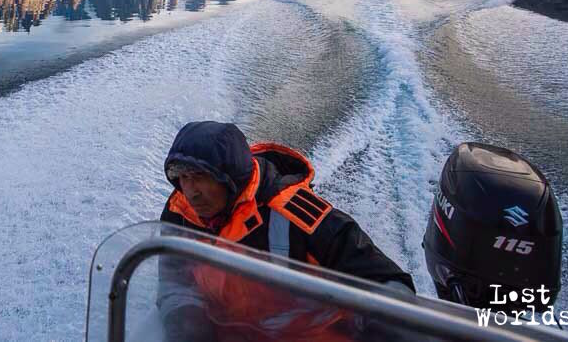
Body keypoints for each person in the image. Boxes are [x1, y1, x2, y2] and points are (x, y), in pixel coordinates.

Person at [157, 121, 414, 341]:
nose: (191, 191)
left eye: (200, 176)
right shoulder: (179, 213)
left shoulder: (298, 217)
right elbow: (174, 284)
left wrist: (385, 330)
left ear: (230, 177)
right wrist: (188, 328)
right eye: (182, 177)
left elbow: (388, 282)